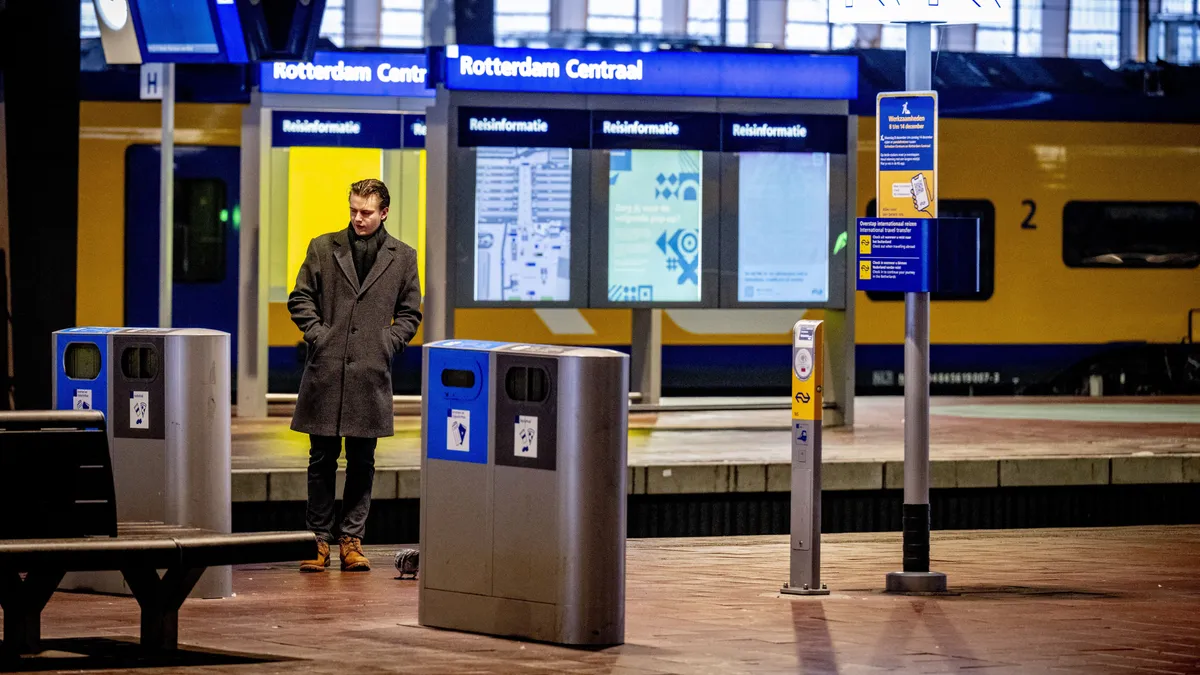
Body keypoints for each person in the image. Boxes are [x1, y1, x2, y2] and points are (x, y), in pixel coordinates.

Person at [287, 178, 422, 572]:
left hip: (369, 372)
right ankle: (318, 540)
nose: (358, 218)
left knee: (363, 461)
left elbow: (410, 312)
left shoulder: (403, 257)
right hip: (326, 370)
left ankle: (351, 540)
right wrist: (319, 335)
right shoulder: (322, 247)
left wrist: (387, 343)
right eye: (353, 210)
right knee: (321, 459)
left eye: (366, 212)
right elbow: (300, 297)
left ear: (384, 213)